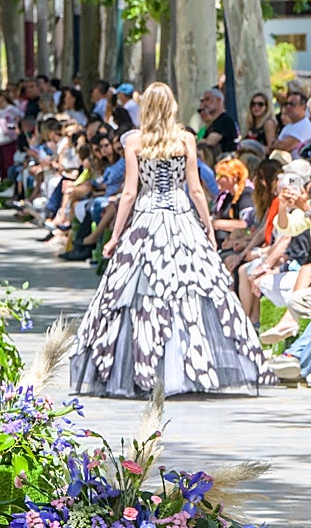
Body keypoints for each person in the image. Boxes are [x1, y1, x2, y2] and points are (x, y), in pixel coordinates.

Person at [71, 83, 272, 397]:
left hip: (148, 219)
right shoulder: (185, 139)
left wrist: (115, 236)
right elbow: (194, 189)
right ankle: (188, 367)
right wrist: (206, 225)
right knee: (189, 293)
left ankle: (145, 367)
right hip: (181, 219)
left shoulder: (135, 141)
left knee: (140, 295)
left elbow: (129, 192)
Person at [198, 88, 238, 158]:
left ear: (218, 100)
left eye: (207, 99)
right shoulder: (213, 123)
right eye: (203, 101)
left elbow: (209, 143)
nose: (204, 104)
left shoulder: (224, 120)